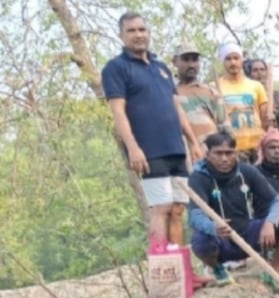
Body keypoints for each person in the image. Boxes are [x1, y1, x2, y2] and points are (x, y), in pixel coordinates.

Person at [102, 12, 203, 247]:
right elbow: (118, 112)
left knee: (178, 209)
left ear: (148, 33)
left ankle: (181, 267)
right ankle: (162, 267)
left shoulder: (162, 68)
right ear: (121, 36)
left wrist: (193, 142)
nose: (138, 35)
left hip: (175, 148)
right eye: (132, 31)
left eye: (142, 30)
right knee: (161, 207)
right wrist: (133, 147)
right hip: (149, 151)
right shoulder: (116, 68)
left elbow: (176, 107)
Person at [188, 131, 279, 286]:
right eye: (218, 153)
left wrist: (270, 223)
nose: (224, 158)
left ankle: (274, 272)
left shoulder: (246, 171)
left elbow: (277, 201)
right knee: (200, 240)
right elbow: (195, 215)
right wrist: (212, 227)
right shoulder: (198, 178)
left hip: (249, 233)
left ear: (236, 154)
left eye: (229, 153)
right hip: (221, 240)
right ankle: (218, 270)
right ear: (207, 154)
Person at [218, 43, 269, 163]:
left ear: (242, 60)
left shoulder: (256, 86)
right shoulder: (215, 86)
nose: (233, 62)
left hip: (257, 147)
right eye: (228, 59)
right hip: (232, 148)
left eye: (236, 58)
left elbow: (264, 118)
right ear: (222, 61)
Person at [173, 43, 228, 149]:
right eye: (186, 60)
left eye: (195, 60)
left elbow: (225, 128)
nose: (191, 65)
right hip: (180, 155)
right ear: (175, 62)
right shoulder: (167, 91)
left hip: (209, 155)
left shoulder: (211, 92)